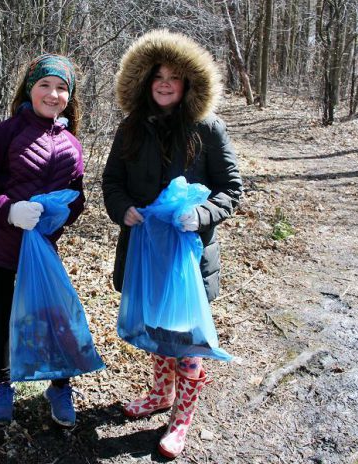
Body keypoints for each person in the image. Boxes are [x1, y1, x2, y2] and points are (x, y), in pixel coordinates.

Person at [102, 30, 242, 459]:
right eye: (157, 76)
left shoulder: (208, 128)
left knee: (187, 337)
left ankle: (181, 416)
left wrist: (200, 215)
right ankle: (160, 392)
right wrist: (122, 209)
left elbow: (231, 189)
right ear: (145, 81)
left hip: (190, 257)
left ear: (188, 84)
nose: (164, 83)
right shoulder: (131, 128)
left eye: (174, 77)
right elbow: (112, 182)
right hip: (145, 252)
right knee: (155, 329)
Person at [0, 54, 85, 427]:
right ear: (29, 89)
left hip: (42, 249)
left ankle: (59, 386)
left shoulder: (72, 145)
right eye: (45, 85)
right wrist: (9, 210)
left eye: (61, 87)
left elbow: (76, 196)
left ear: (70, 96)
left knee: (53, 315)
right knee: (1, 315)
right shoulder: (4, 133)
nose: (53, 93)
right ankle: (3, 384)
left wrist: (65, 215)